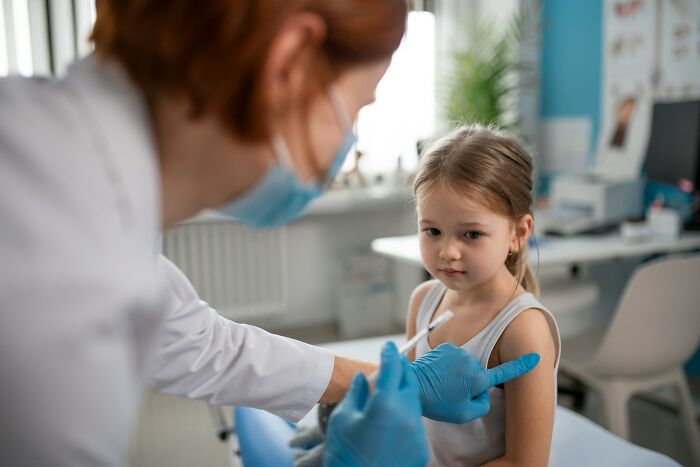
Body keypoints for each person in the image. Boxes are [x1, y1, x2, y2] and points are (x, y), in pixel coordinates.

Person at [0, 2, 538, 465]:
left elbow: (200, 345)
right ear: (289, 65)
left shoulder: (63, 174)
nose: (349, 140)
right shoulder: (64, 272)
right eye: (358, 104)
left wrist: (385, 383)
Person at [406, 126, 561, 466]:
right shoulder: (423, 301)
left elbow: (526, 463)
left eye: (471, 234)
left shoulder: (523, 330)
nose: (447, 251)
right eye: (432, 230)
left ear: (518, 234)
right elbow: (403, 408)